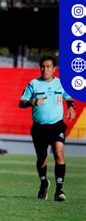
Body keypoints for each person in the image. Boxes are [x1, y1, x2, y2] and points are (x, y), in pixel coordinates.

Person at [19, 56, 76, 202]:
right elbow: (22, 102)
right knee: (42, 159)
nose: (45, 69)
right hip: (39, 128)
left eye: (48, 66)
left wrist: (71, 107)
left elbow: (68, 97)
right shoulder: (33, 84)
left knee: (59, 153)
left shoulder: (61, 83)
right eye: (43, 66)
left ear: (54, 68)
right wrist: (33, 102)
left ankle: (59, 190)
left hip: (57, 125)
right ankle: (44, 183)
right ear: (40, 68)